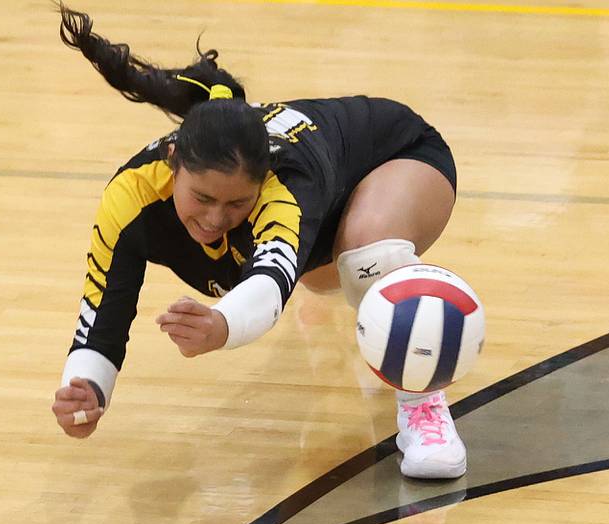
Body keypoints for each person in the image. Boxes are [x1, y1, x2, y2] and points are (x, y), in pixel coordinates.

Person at [51, 4, 467, 479]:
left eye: (236, 205)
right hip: (322, 224)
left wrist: (220, 326)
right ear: (172, 161)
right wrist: (87, 390)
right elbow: (103, 308)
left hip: (400, 157)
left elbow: (269, 287)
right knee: (330, 273)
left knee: (368, 255)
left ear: (262, 181)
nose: (214, 219)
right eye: (203, 197)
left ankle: (423, 408)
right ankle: (326, 293)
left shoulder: (285, 186)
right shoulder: (131, 196)